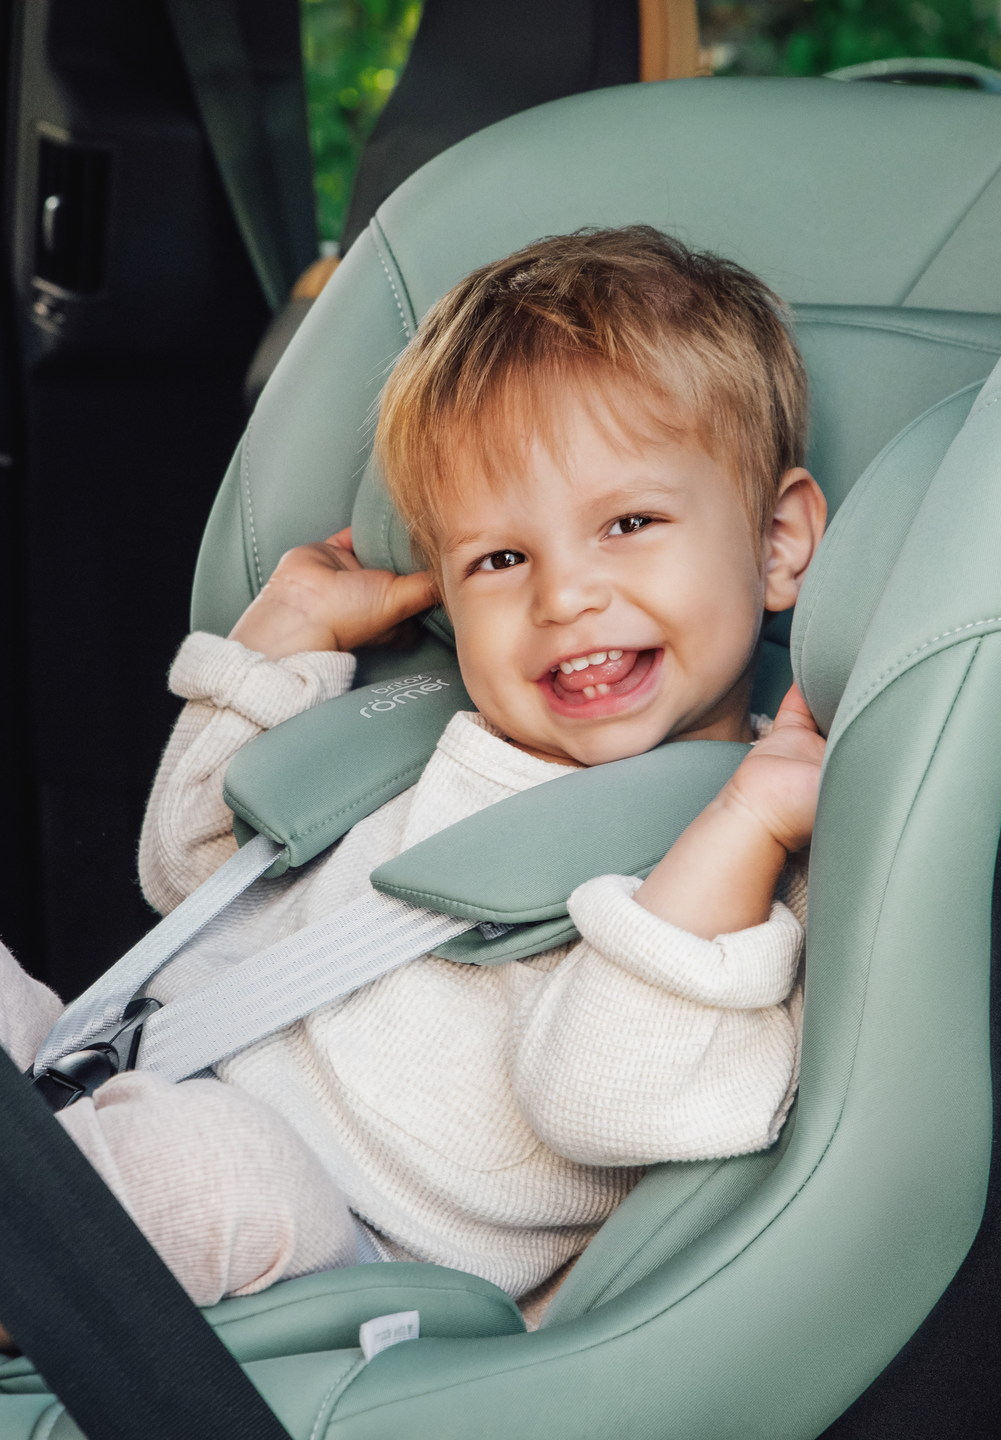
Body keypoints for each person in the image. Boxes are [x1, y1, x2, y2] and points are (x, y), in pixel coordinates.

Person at [0, 225, 826, 1335]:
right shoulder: (425, 727)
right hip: (115, 1089)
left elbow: (607, 1097)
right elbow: (186, 874)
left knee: (215, 1173)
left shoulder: (760, 850)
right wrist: (277, 647)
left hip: (343, 1250)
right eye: (498, 558)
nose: (564, 595)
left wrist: (746, 825)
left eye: (629, 524)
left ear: (777, 541)